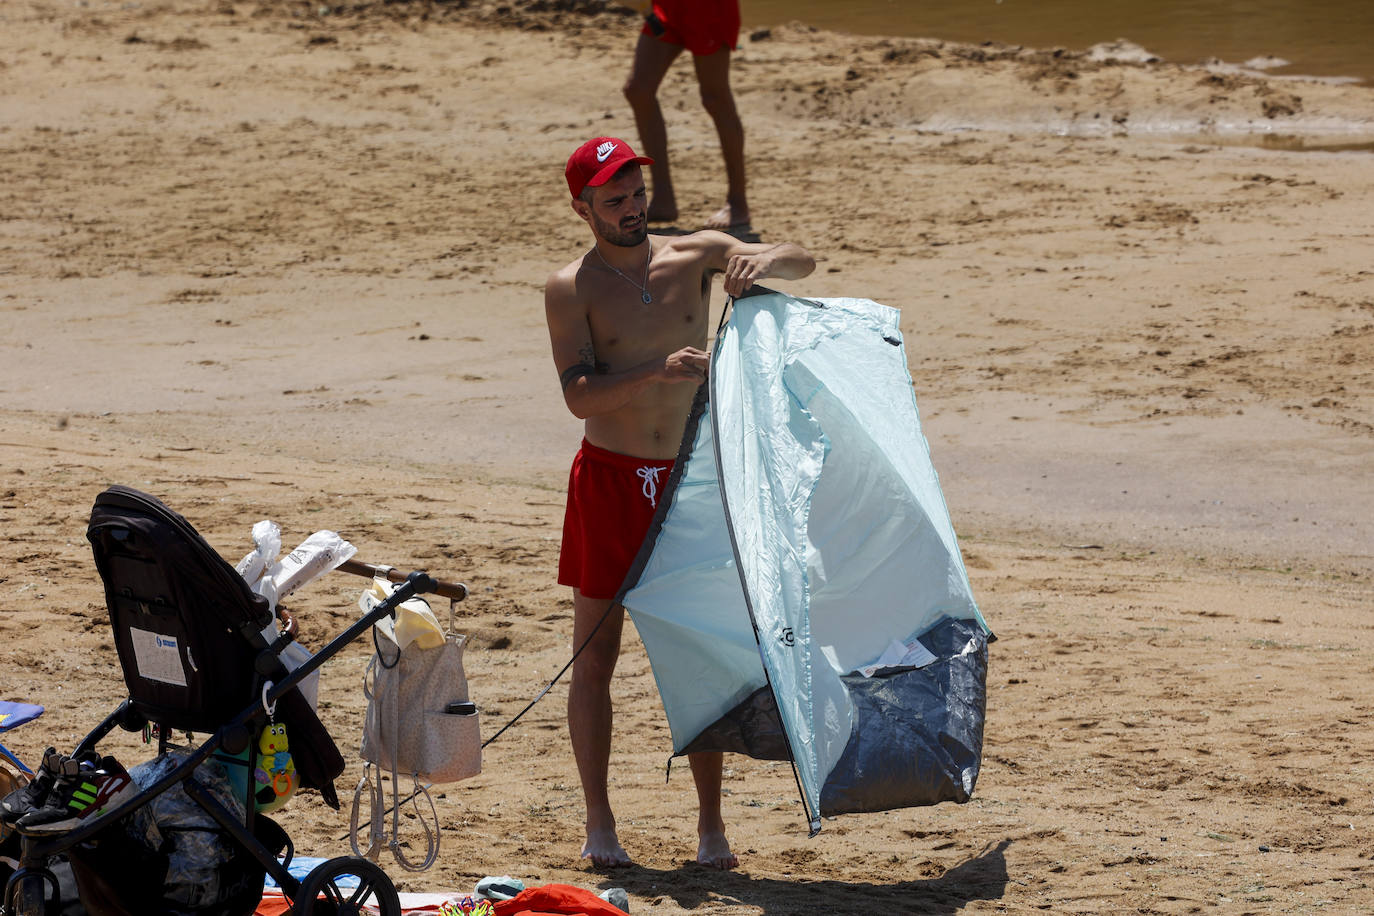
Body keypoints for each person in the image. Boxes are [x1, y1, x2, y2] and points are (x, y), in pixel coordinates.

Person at [545, 137, 815, 869]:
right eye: (614, 200)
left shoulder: (694, 254)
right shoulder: (571, 286)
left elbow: (802, 260)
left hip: (690, 479)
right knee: (595, 657)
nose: (632, 210)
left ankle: (712, 830)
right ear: (583, 208)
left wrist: (766, 260)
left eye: (636, 194)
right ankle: (600, 823)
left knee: (702, 652)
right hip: (608, 480)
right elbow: (577, 396)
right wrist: (656, 372)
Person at [622, 0, 749, 229]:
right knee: (638, 90)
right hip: (668, 7)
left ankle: (738, 204)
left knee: (715, 98)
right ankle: (663, 200)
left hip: (709, 8)